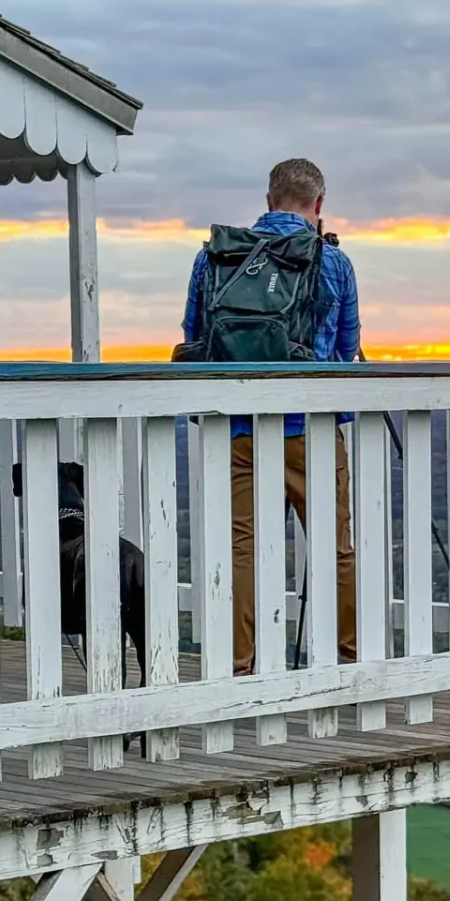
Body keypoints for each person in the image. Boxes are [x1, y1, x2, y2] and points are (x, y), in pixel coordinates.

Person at [180, 156, 359, 669]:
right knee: (333, 546)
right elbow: (347, 349)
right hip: (313, 429)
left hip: (240, 426)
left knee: (243, 548)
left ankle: (239, 665)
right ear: (319, 206)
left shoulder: (215, 258)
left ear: (267, 202)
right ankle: (343, 661)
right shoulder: (334, 264)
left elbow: (195, 338)